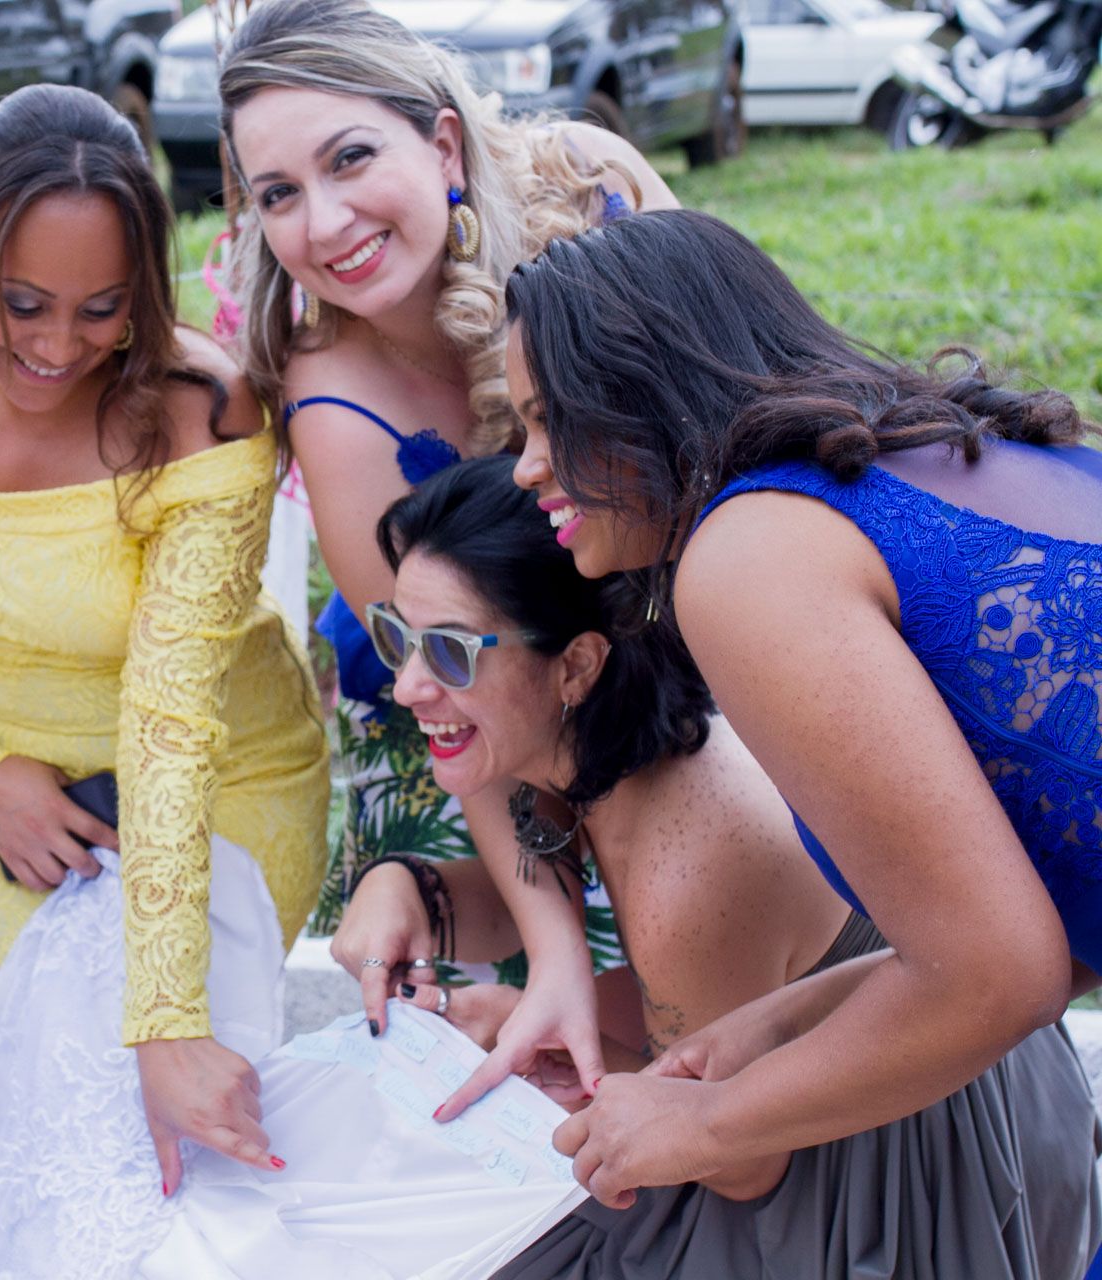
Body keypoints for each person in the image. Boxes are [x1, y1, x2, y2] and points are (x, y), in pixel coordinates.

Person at [498, 206, 1102, 1246]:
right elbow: (1064, 904)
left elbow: (1001, 976)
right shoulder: (963, 456)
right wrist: (779, 1020)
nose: (525, 465)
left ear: (648, 390)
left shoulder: (749, 554)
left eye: (553, 421)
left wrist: (699, 1126)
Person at [336, 456, 1100, 1276]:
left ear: (578, 665)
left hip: (896, 1156)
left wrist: (538, 1038)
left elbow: (736, 1161)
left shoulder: (686, 867)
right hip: (862, 1062)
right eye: (397, 637)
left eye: (449, 652)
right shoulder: (597, 746)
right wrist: (408, 886)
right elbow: (544, 892)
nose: (408, 686)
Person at [0, 83, 330, 1271]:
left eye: (102, 309)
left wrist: (167, 1020)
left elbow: (170, 721)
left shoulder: (203, 415)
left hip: (207, 797)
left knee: (127, 1149)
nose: (59, 347)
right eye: (23, 305)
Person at [217, 0, 674, 1014]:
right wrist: (556, 951)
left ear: (443, 143)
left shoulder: (594, 184)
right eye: (280, 193)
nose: (323, 224)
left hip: (668, 647)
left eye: (350, 158)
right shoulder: (335, 404)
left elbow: (731, 426)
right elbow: (452, 701)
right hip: (463, 735)